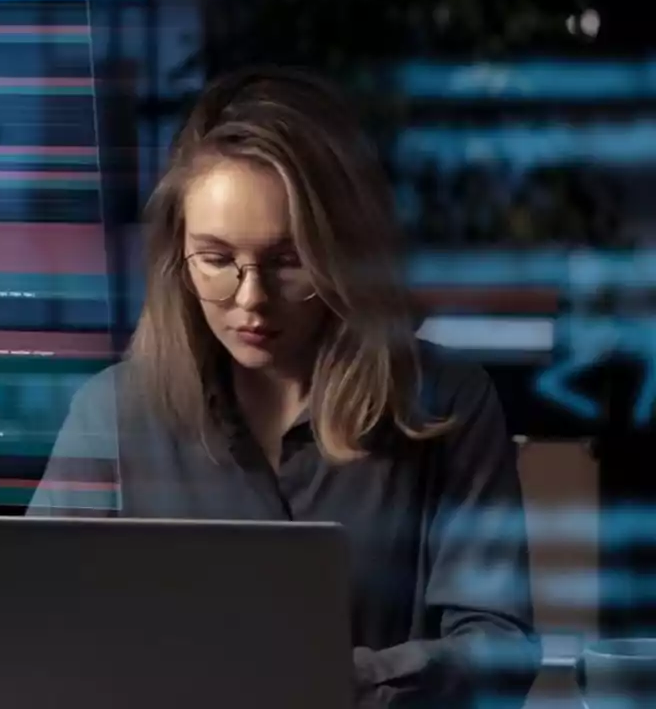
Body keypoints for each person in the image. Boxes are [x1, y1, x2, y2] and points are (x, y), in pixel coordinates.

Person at [28, 67, 542, 708]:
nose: (251, 300)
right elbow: (35, 640)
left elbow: (499, 647)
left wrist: (334, 682)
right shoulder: (109, 414)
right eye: (216, 260)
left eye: (289, 261)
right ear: (177, 257)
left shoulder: (445, 402)